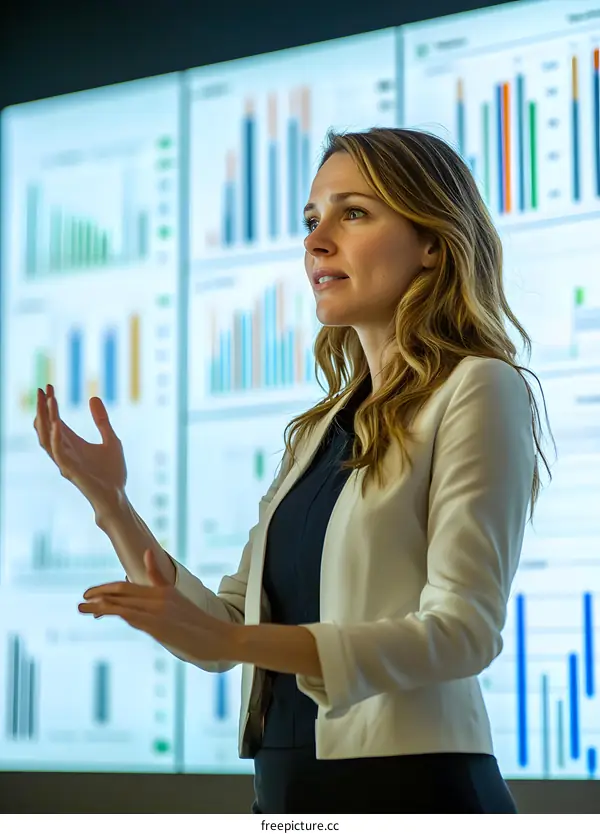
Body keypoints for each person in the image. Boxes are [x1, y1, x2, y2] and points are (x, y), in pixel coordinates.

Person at [34, 127, 555, 813]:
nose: (316, 240)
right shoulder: (318, 431)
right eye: (312, 220)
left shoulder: (479, 388)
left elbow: (464, 632)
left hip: (414, 791)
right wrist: (111, 503)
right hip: (289, 797)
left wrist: (236, 638)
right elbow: (220, 629)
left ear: (433, 243)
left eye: (354, 213)